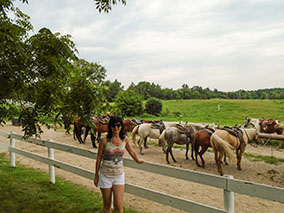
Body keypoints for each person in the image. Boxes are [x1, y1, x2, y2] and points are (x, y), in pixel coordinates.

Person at [94, 115, 144, 213]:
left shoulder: (124, 139)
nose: (116, 128)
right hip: (105, 176)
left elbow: (132, 151)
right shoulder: (104, 141)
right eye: (113, 126)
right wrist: (96, 175)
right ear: (110, 127)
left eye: (118, 125)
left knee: (119, 206)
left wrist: (137, 160)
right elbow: (99, 158)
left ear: (121, 126)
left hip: (119, 176)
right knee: (107, 205)